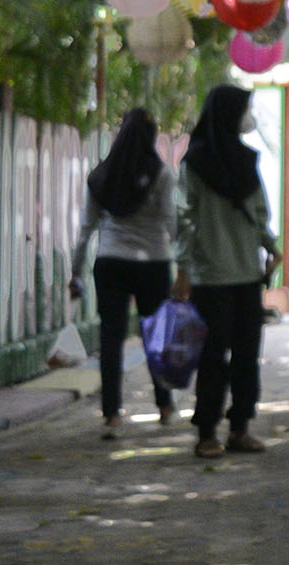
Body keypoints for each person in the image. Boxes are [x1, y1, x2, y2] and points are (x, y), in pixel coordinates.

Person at [174, 83, 278, 461]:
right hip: (210, 277)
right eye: (243, 110)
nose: (247, 118)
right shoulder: (195, 164)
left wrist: (271, 246)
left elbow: (259, 213)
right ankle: (206, 432)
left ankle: (239, 428)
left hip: (245, 275)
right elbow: (184, 219)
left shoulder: (246, 161)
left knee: (247, 355)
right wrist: (183, 268)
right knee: (214, 356)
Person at [77, 107, 178, 441]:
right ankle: (164, 405)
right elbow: (170, 223)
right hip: (153, 263)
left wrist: (75, 274)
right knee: (155, 336)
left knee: (111, 337)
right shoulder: (161, 175)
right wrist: (186, 262)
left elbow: (86, 230)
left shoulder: (100, 176)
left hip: (111, 262)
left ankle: (111, 415)